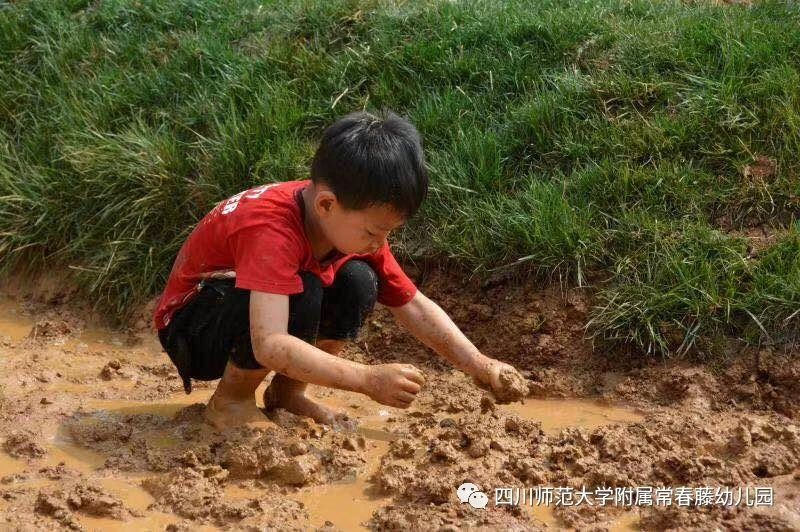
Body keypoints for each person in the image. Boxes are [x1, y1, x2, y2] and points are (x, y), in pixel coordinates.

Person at [154, 109, 525, 430]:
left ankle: (287, 393)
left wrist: (481, 365)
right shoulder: (270, 230)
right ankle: (230, 403)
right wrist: (367, 379)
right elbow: (270, 344)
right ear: (327, 205)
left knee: (359, 281)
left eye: (387, 232)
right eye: (373, 231)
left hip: (246, 312)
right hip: (193, 329)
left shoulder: (345, 222)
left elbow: (412, 304)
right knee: (304, 290)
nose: (380, 242)